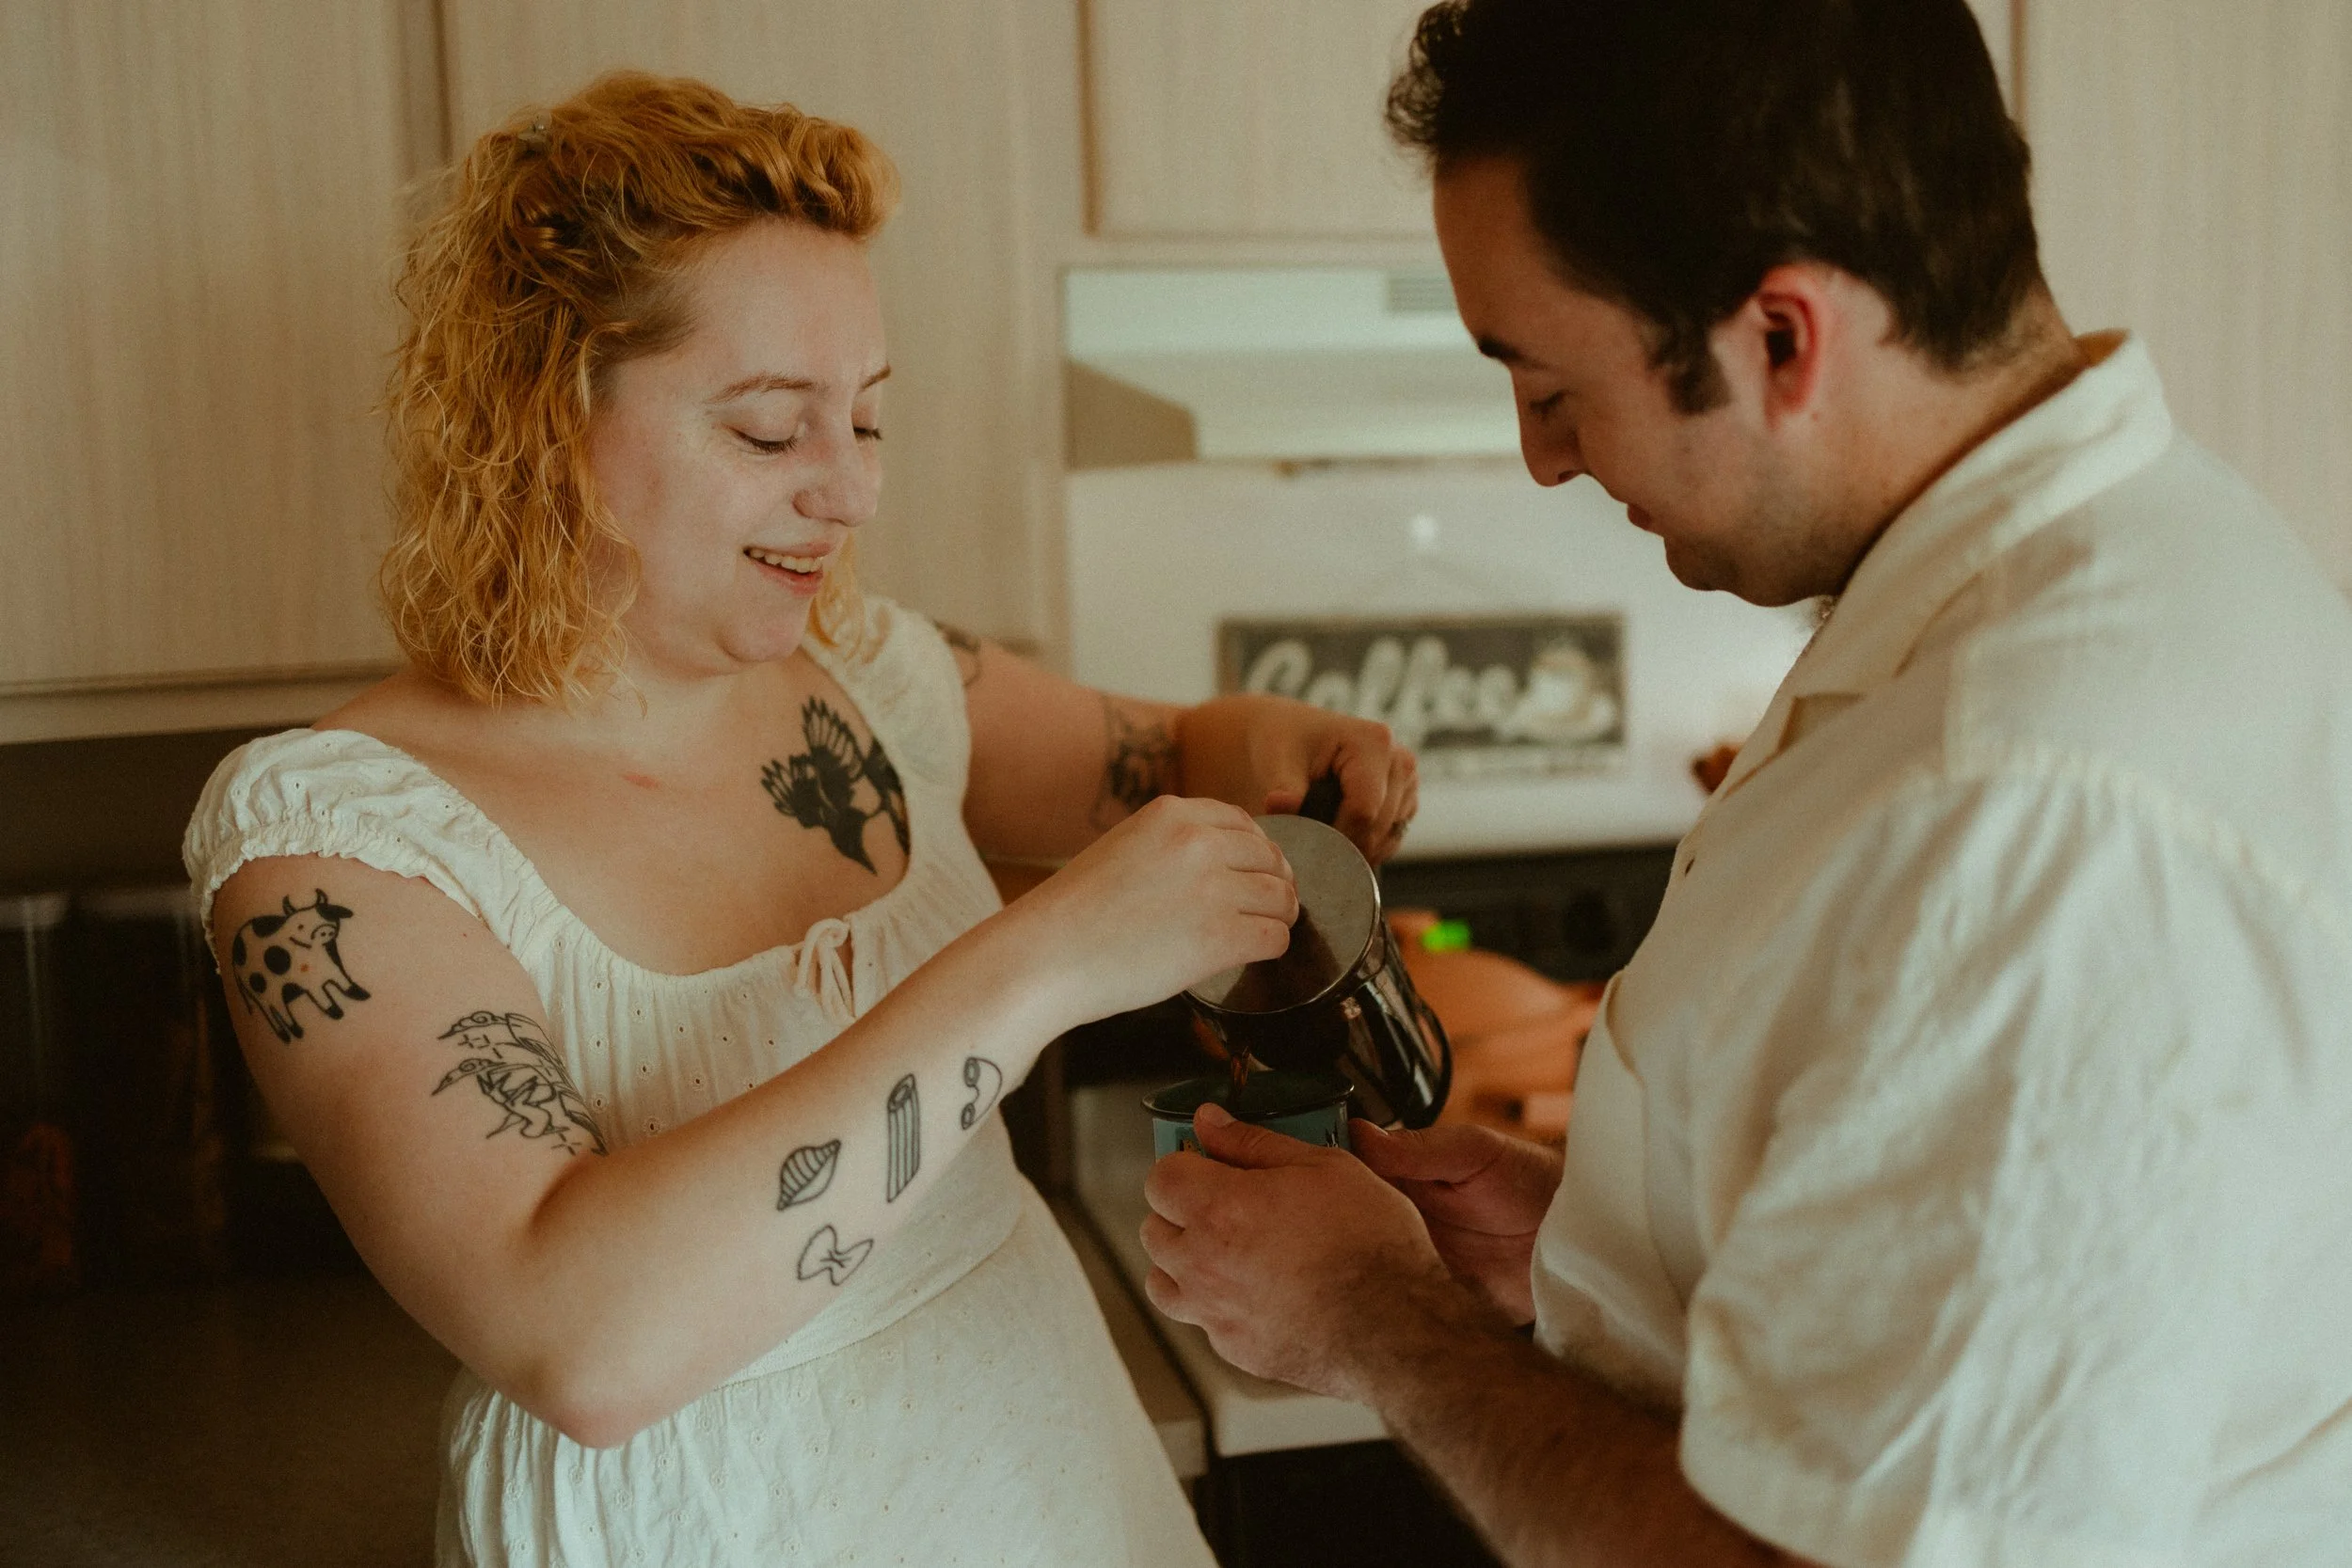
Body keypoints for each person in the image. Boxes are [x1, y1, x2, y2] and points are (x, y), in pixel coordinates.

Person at [1141, 1, 2352, 1564]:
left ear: (1781, 338)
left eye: (1553, 386)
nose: (1542, 461)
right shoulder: (2112, 562)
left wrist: (1377, 1322)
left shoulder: (2040, 822)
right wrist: (1622, 1252)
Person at [183, 72, 1417, 1567]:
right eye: (772, 434)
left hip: (1035, 1455)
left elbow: (1158, 755)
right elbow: (576, 1339)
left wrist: (1265, 744)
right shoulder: (332, 839)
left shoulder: (875, 669)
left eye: (868, 420)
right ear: (546, 418)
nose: (847, 493)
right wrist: (1047, 960)